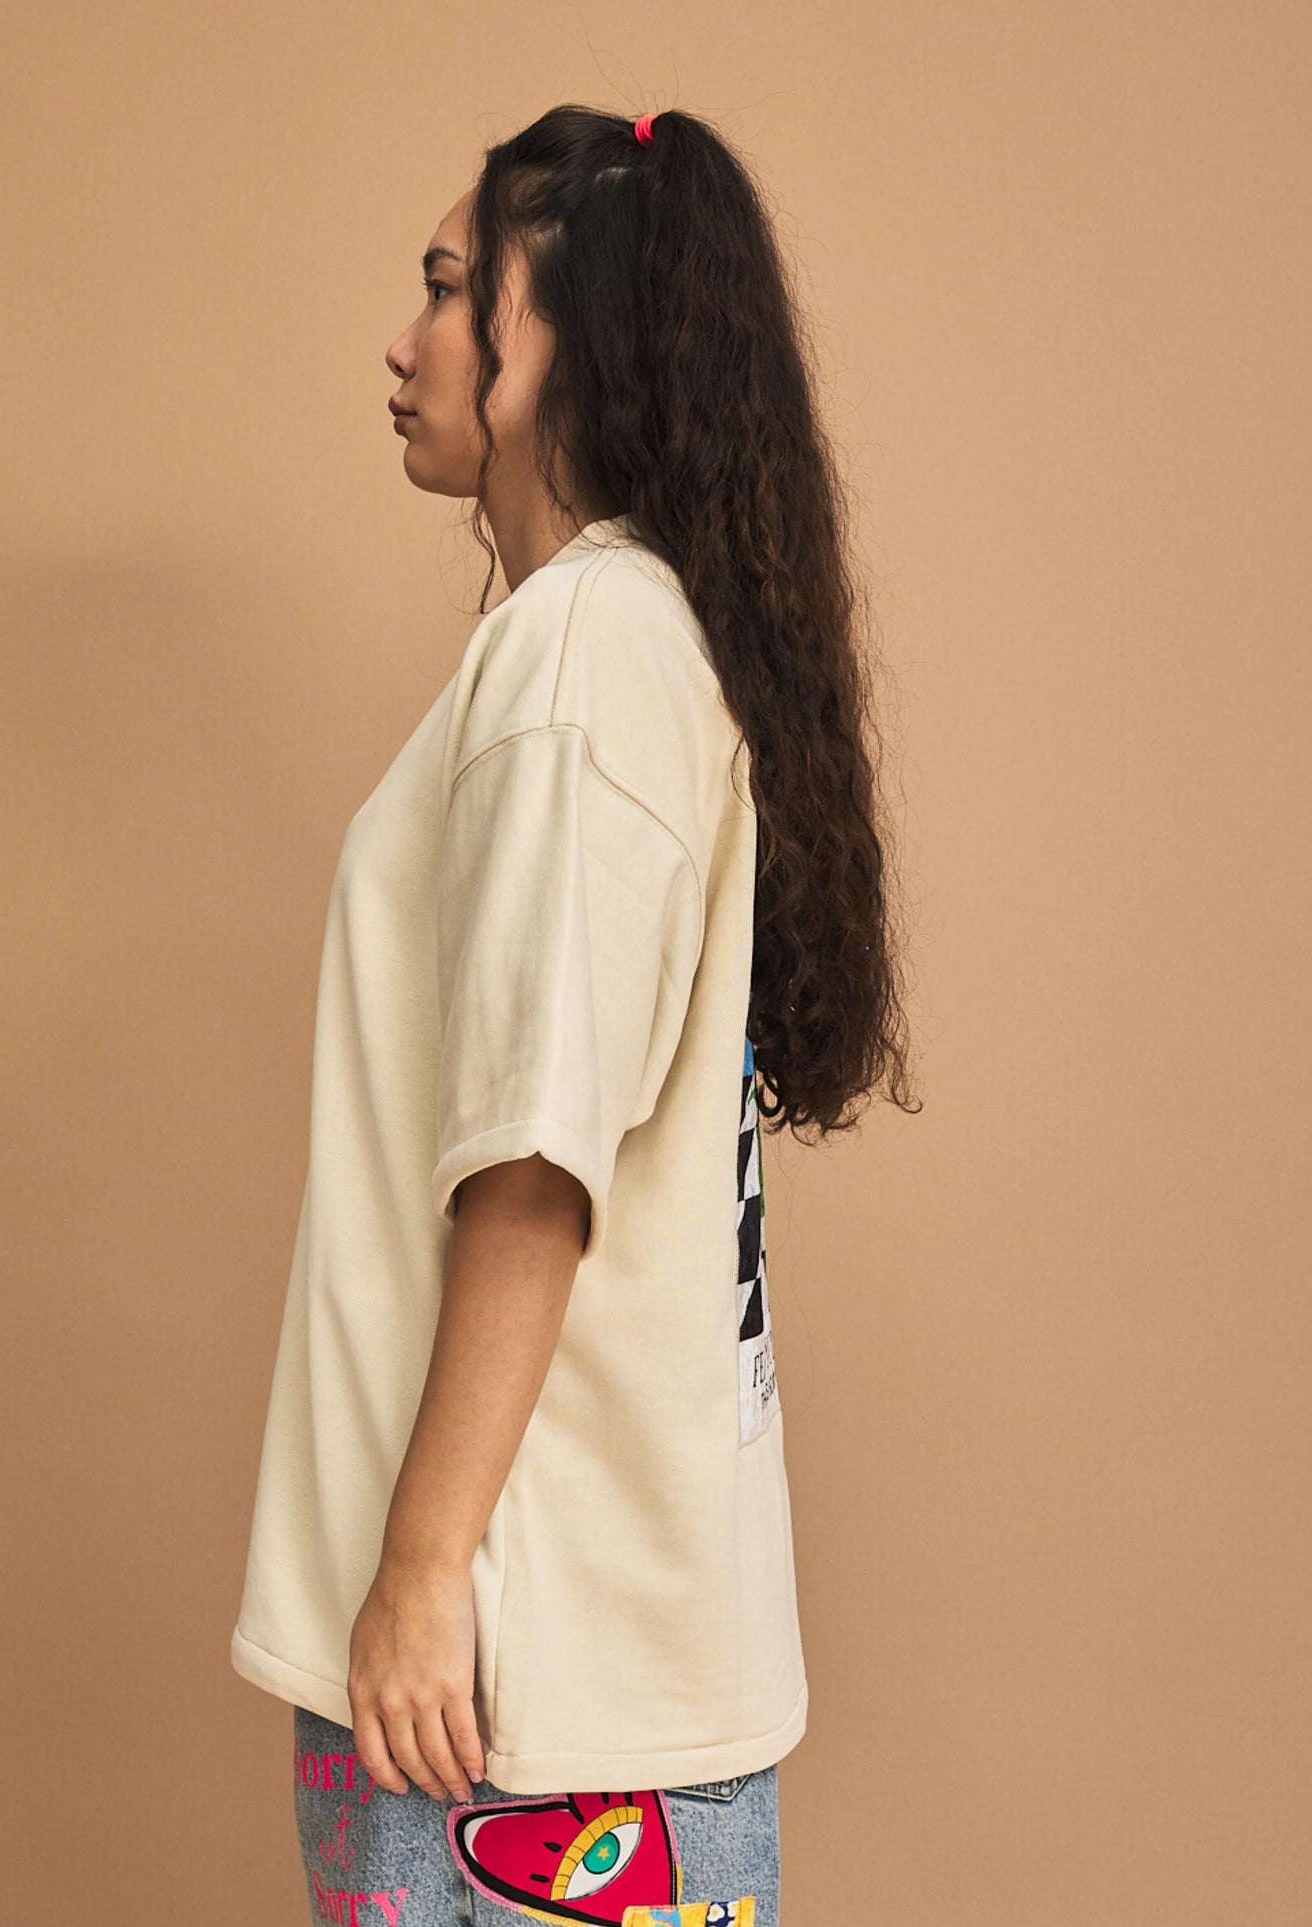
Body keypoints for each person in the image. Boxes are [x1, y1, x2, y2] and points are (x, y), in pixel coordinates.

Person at [231, 103, 920, 1927]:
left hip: (514, 1705)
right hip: (535, 1692)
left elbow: (534, 1168)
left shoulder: (586, 656)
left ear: (560, 343)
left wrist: (418, 1567)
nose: (405, 340)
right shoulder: (613, 642)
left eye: (451, 291)